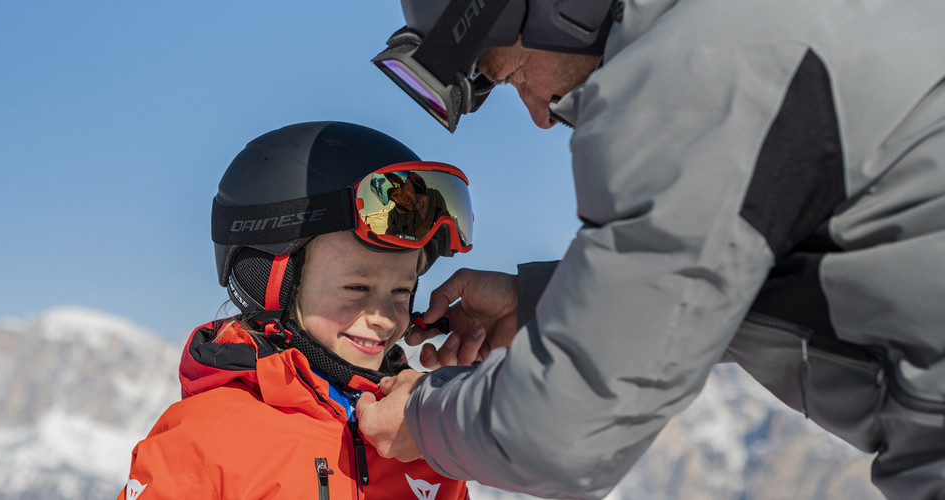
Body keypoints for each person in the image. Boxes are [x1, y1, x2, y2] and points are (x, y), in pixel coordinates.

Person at [357, 1, 945, 499]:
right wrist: (543, 304)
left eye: (512, 75)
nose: (540, 113)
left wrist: (421, 417)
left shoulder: (691, 75)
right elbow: (767, 258)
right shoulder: (751, 30)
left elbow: (562, 435)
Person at [115, 121, 475, 499]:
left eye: (402, 291)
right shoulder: (204, 442)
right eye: (356, 288)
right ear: (271, 283)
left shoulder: (420, 438)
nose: (384, 317)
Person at [384, 172, 452, 242]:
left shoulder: (433, 197)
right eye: (396, 195)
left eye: (404, 187)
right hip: (407, 251)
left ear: (412, 182)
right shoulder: (394, 216)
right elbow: (390, 242)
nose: (404, 199)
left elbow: (447, 226)